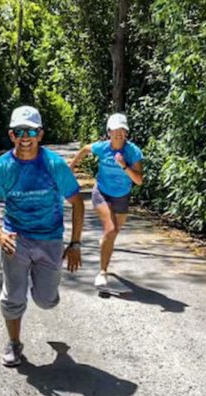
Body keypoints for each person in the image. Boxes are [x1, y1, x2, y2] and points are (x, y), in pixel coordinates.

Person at [0, 105, 84, 367]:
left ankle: (42, 288)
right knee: (13, 295)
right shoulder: (1, 167)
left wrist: (75, 244)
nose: (25, 137)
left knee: (46, 301)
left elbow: (77, 202)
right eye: (19, 131)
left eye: (30, 131)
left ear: (40, 134)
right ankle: (14, 343)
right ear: (11, 135)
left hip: (50, 238)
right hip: (16, 238)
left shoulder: (54, 165)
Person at [69, 113, 143, 288]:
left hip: (122, 195)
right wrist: (71, 166)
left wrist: (124, 165)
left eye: (122, 131)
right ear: (109, 132)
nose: (119, 134)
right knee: (111, 229)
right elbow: (85, 149)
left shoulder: (133, 151)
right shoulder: (102, 147)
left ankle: (105, 242)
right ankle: (102, 273)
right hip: (102, 192)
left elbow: (139, 180)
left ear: (127, 133)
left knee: (112, 234)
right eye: (115, 130)